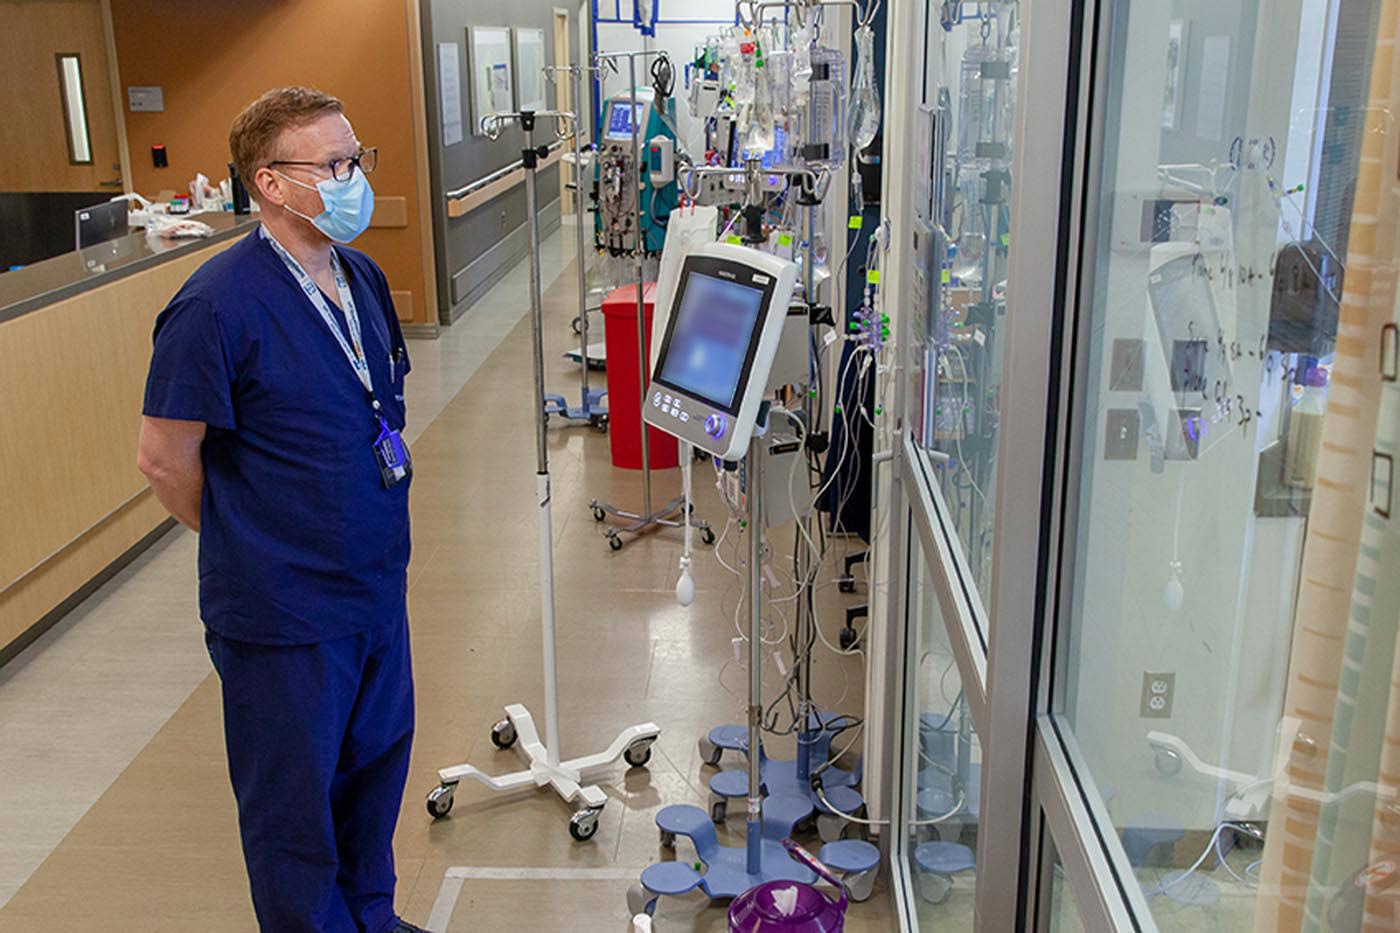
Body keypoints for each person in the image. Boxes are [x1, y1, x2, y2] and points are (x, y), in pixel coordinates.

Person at [136, 86, 425, 933]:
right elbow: (163, 460)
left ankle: (372, 918)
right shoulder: (215, 305)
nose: (352, 178)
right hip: (283, 612)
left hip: (373, 586)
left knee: (374, 778)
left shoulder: (361, 276)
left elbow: (379, 410)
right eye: (332, 165)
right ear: (270, 181)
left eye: (356, 159)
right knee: (294, 813)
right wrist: (251, 537)